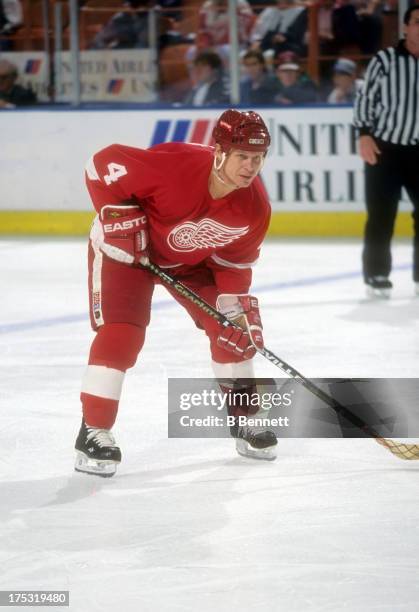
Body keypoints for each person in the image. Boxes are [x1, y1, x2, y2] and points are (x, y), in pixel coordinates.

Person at [75, 109, 277, 477]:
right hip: (128, 253)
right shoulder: (175, 166)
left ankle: (245, 417)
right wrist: (115, 213)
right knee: (123, 333)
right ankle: (93, 430)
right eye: (242, 157)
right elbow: (99, 165)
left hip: (188, 264)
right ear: (219, 151)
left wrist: (234, 315)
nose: (250, 167)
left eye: (257, 158)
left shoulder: (255, 209)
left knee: (228, 333)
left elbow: (233, 268)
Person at [353, 4, 419, 298]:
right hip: (385, 150)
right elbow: (365, 97)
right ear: (406, 27)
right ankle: (377, 273)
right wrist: (364, 134)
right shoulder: (386, 60)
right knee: (381, 214)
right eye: (418, 21)